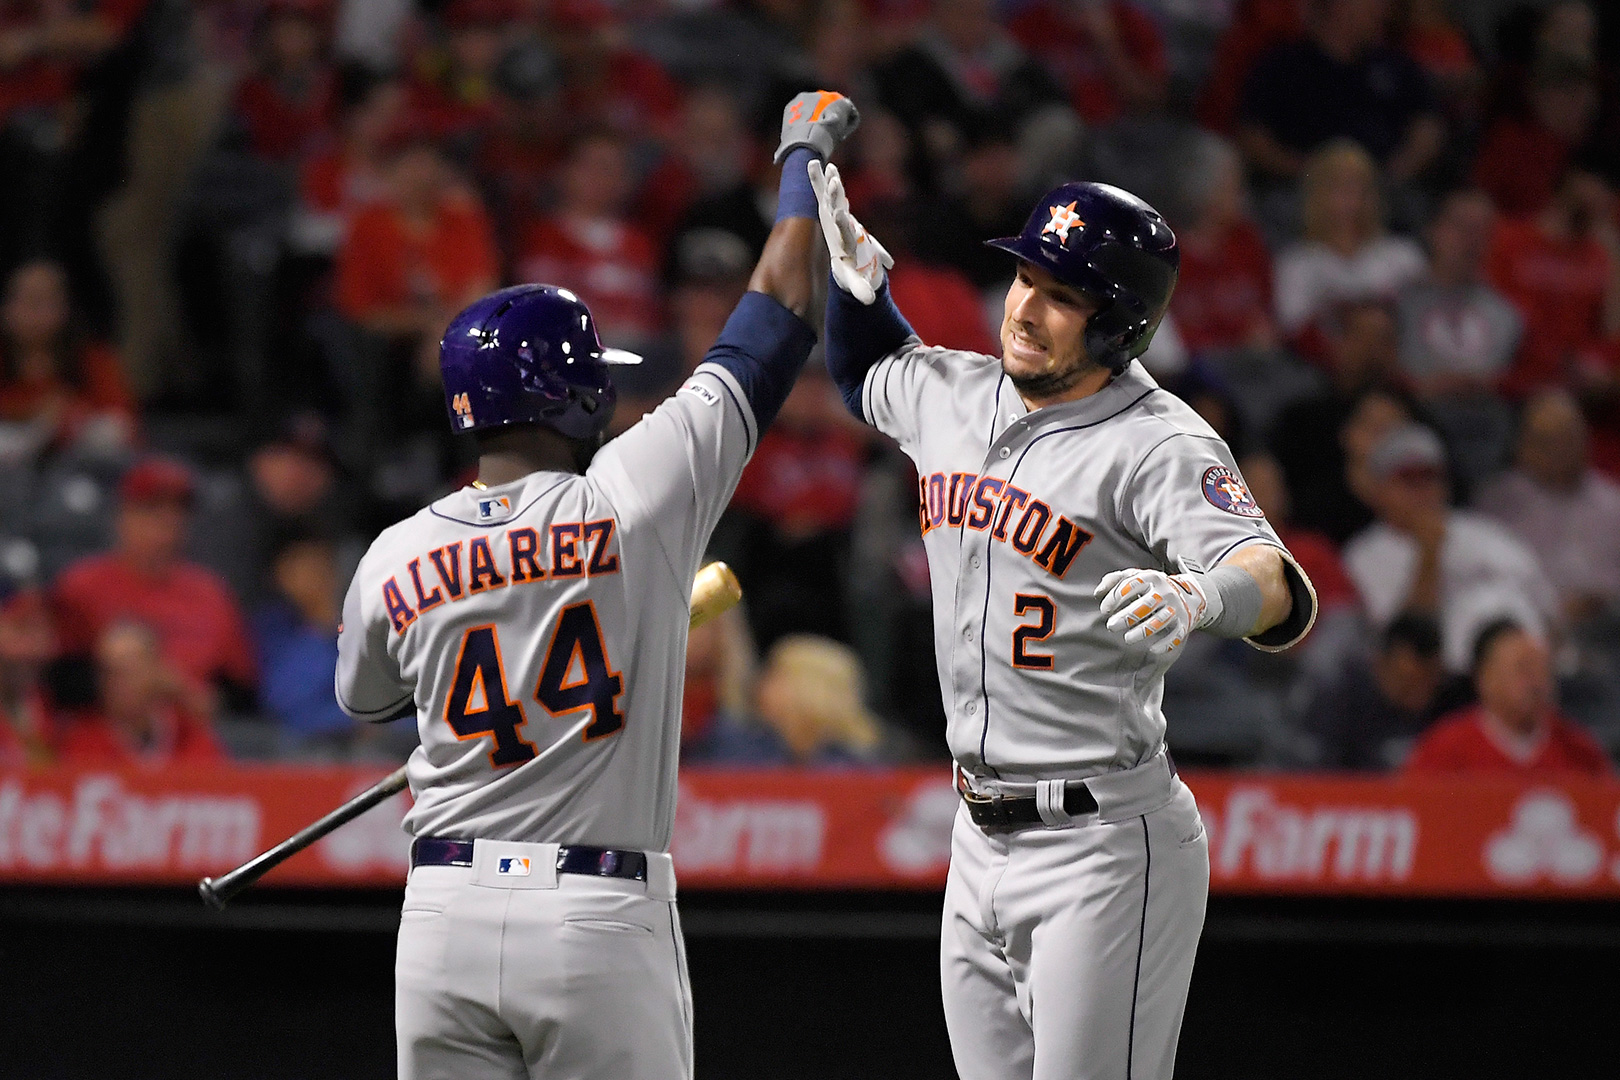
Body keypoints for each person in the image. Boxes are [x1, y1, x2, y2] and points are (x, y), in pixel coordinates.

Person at [334, 91, 859, 1079]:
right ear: (579, 400)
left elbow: (369, 703)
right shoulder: (634, 491)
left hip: (442, 910)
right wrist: (800, 157)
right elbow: (775, 320)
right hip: (593, 916)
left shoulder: (394, 553)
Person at [810, 169, 1318, 1078]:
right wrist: (859, 294)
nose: (1027, 309)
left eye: (1063, 296)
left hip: (1103, 844)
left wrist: (1199, 597)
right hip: (975, 835)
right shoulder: (957, 394)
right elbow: (868, 374)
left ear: (1120, 323)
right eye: (1024, 281)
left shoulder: (1161, 440)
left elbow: (1272, 581)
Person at [1343, 423, 1558, 674]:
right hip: (1447, 682)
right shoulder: (1365, 555)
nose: (1423, 491)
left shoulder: (1486, 533)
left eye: (1430, 477)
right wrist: (1429, 553)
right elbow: (1408, 642)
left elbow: (1548, 610)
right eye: (1409, 480)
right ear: (1380, 490)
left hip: (1531, 664)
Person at [51, 456, 258, 711]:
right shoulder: (82, 585)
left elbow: (242, 689)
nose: (167, 523)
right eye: (152, 509)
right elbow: (59, 681)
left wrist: (205, 699)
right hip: (104, 735)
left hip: (192, 734)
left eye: (178, 511)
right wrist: (138, 684)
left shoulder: (211, 592)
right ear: (122, 516)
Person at [1475, 388, 1620, 623]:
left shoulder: (1614, 504)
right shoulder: (1498, 502)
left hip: (1607, 628)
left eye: (1568, 438)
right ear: (1523, 446)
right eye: (1548, 441)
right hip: (1526, 624)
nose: (1560, 450)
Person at [1272, 139, 1426, 350]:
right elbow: (1293, 328)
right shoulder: (1296, 263)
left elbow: (1424, 319)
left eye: (1359, 187)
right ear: (1317, 196)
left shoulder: (1403, 255)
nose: (1351, 199)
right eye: (1339, 188)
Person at [1405, 619, 1611, 775]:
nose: (1537, 681)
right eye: (1524, 669)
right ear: (1486, 679)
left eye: (1543, 669)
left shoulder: (1580, 750)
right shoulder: (1444, 749)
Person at [57, 621, 224, 765]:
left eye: (131, 670)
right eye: (109, 672)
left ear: (158, 670)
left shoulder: (189, 735)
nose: (117, 683)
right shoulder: (83, 742)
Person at [1298, 613, 1446, 769]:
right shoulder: (1341, 702)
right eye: (1407, 682)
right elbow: (1320, 772)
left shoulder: (1446, 703)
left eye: (1427, 682)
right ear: (1380, 663)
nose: (1418, 691)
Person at [754, 634, 898, 766]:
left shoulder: (858, 768)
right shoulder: (757, 751)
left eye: (774, 675)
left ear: (807, 689)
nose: (760, 686)